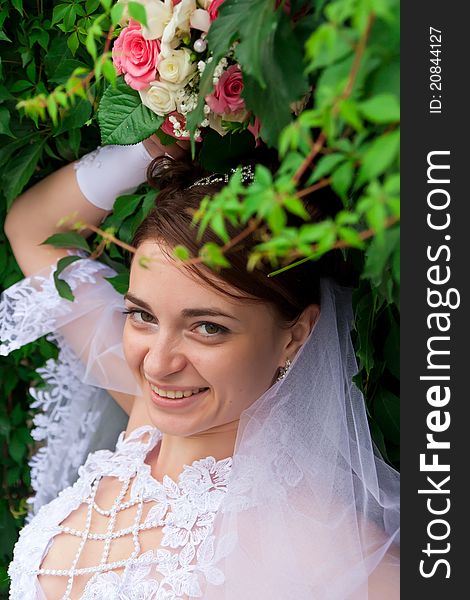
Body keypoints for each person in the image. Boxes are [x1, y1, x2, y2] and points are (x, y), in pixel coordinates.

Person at [2, 140, 399, 599]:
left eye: (207, 327)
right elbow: (34, 228)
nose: (157, 364)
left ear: (294, 336)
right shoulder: (145, 427)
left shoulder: (331, 551)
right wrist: (148, 145)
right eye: (142, 316)